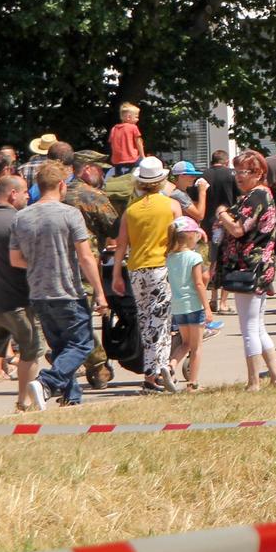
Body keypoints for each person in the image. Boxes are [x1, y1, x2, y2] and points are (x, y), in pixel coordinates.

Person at [15, 162, 110, 408]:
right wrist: (100, 292)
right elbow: (86, 257)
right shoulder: (69, 214)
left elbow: (15, 259)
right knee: (82, 343)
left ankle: (71, 397)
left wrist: (38, 264)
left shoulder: (22, 216)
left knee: (59, 346)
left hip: (38, 291)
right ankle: (47, 382)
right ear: (61, 185)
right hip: (67, 290)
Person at [210, 150, 276, 392]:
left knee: (249, 328)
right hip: (256, 267)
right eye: (237, 171)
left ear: (259, 173)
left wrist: (221, 213)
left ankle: (254, 382)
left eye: (245, 171)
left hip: (250, 268)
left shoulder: (257, 197)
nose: (239, 176)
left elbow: (238, 229)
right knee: (257, 325)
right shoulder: (256, 195)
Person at [111, 157, 183, 391]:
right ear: (162, 180)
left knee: (145, 320)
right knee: (161, 321)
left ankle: (151, 373)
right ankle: (159, 369)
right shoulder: (171, 206)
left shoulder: (130, 211)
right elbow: (180, 240)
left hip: (136, 269)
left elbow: (121, 245)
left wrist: (116, 275)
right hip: (162, 266)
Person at [0, 174, 40, 410]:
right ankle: (24, 402)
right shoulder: (18, 221)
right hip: (16, 300)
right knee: (31, 350)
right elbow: (27, 258)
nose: (28, 195)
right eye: (24, 190)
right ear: (12, 193)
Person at [164, 216, 209, 390]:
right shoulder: (194, 257)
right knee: (196, 347)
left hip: (178, 306)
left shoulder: (170, 257)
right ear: (190, 236)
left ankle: (170, 366)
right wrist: (207, 308)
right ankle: (193, 383)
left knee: (185, 343)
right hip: (194, 305)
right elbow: (199, 283)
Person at [109, 102, 145, 178]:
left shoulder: (114, 129)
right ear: (128, 117)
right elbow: (139, 143)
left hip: (117, 162)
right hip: (131, 159)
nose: (137, 119)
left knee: (119, 178)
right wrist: (142, 156)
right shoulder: (133, 127)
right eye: (136, 117)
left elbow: (112, 144)